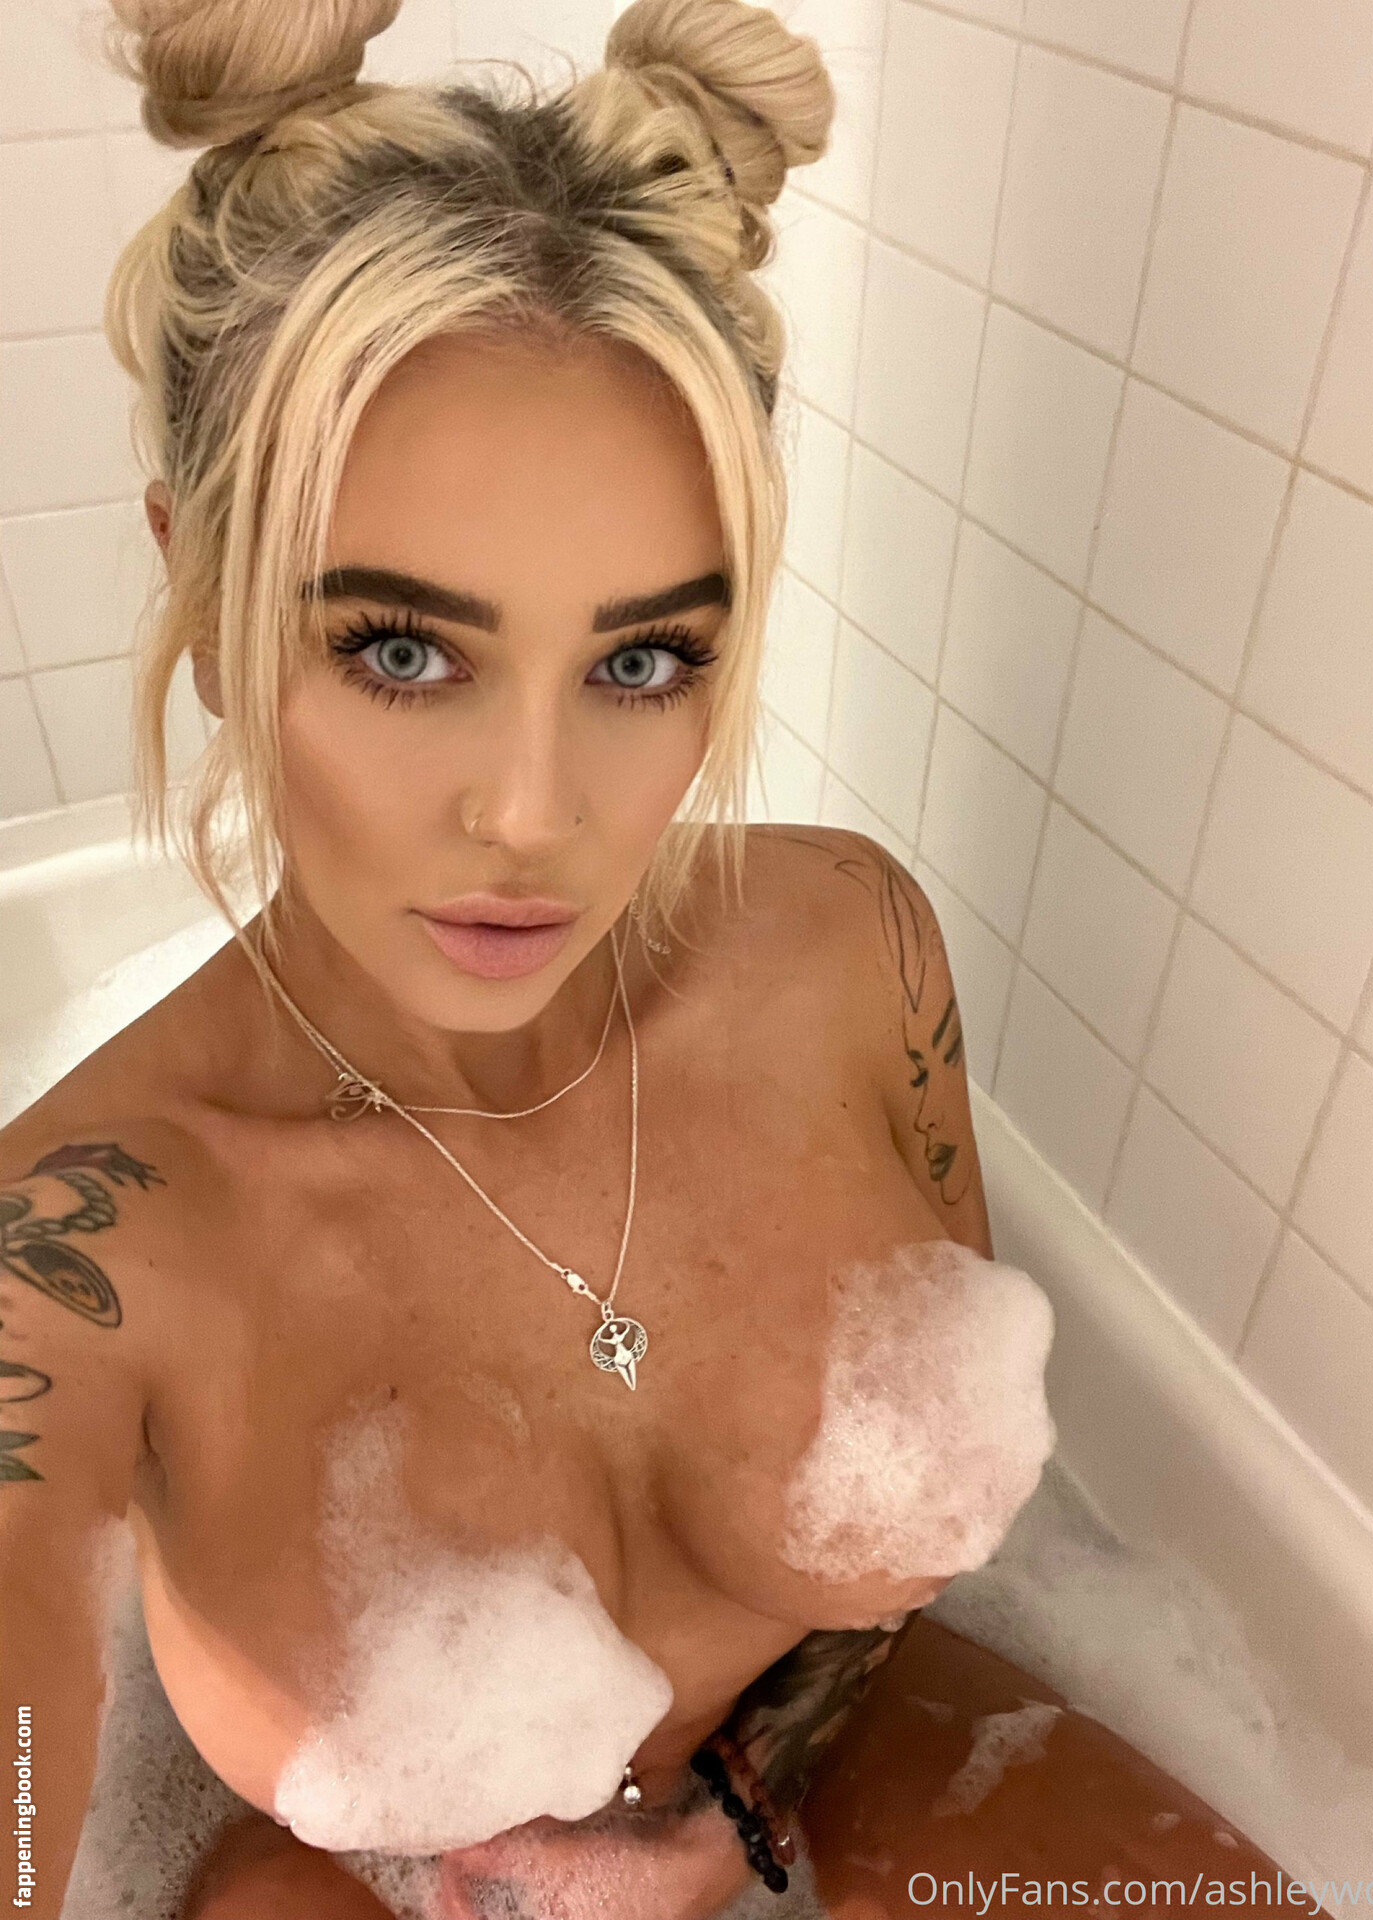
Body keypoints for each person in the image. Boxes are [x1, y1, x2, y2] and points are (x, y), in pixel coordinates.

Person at [0, 3, 1278, 1917]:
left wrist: (747, 1795)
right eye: (401, 651)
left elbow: (911, 1554)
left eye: (643, 659)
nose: (534, 813)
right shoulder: (81, 1250)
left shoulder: (852, 949)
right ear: (202, 584)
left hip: (823, 1752)